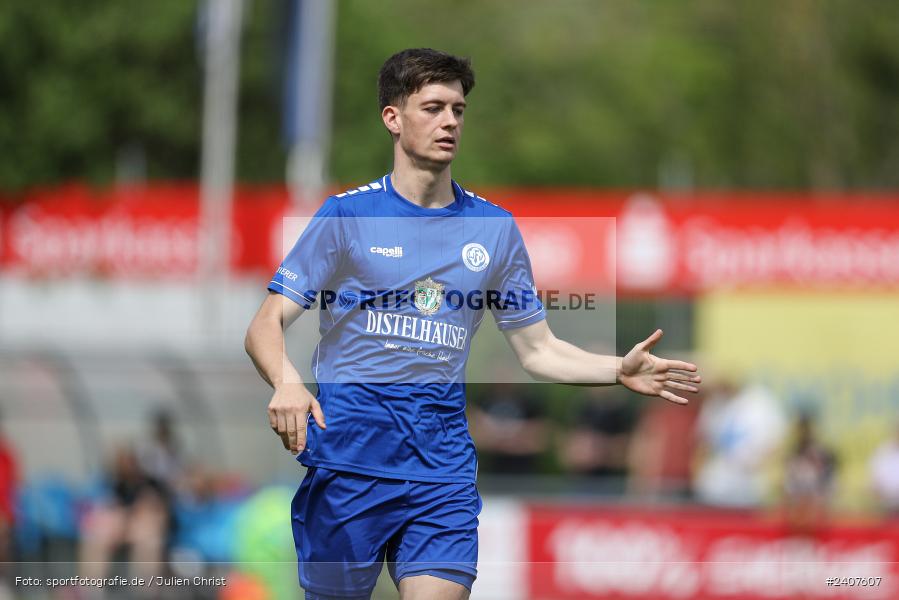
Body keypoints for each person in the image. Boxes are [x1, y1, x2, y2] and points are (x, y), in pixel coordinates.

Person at [245, 48, 701, 600]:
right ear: (393, 117)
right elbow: (265, 324)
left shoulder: (493, 229)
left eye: (458, 110)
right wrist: (287, 382)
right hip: (349, 466)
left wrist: (617, 369)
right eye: (433, 107)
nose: (450, 122)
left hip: (442, 474)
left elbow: (538, 350)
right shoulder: (346, 217)